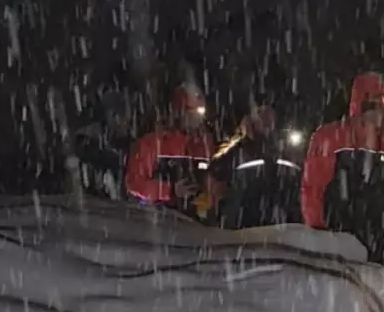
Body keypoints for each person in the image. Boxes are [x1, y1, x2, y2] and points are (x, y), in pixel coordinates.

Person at [301, 72, 384, 265]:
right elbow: (313, 186)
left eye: (383, 108)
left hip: (374, 239)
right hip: (336, 237)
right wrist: (316, 229)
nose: (378, 115)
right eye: (373, 107)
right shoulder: (330, 137)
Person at [125, 83, 222, 220]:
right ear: (179, 112)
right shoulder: (152, 143)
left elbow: (212, 180)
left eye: (200, 112)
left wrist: (211, 195)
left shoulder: (205, 144)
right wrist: (170, 191)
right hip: (157, 219)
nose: (197, 118)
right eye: (192, 112)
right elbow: (134, 183)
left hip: (197, 222)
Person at [215, 104, 308, 228]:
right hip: (244, 224)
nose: (267, 120)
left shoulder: (283, 150)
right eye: (261, 114)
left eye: (269, 115)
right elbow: (217, 182)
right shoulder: (235, 151)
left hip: (281, 222)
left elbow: (297, 182)